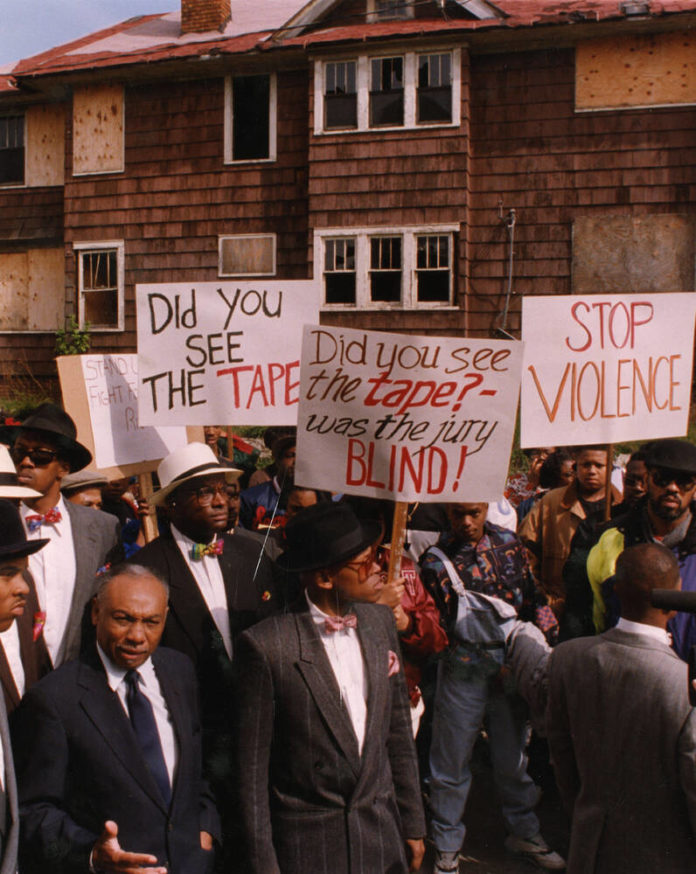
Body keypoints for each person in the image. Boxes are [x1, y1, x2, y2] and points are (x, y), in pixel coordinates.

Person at [233, 501, 426, 874]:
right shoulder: (267, 647)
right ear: (324, 578)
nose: (378, 570)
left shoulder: (379, 621)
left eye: (376, 557)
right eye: (364, 563)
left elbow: (398, 732)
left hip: (382, 839)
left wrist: (413, 823)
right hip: (309, 850)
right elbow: (252, 775)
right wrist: (264, 865)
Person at [12, 564, 220, 874]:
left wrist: (206, 826)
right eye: (123, 619)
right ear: (96, 612)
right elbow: (33, 810)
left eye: (151, 622)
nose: (137, 636)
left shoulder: (180, 671)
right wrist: (94, 855)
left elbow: (197, 767)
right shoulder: (54, 700)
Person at [420, 502, 563, 873]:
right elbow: (436, 631)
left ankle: (524, 832)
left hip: (512, 665)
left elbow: (533, 597)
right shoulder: (434, 561)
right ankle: (448, 846)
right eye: (456, 515)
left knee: (513, 758)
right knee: (450, 762)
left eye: (474, 512)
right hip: (462, 671)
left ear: (486, 507)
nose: (466, 523)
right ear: (445, 513)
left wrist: (547, 640)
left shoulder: (509, 543)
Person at [547, 543, 696, 873]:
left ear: (615, 591)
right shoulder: (683, 685)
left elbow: (562, 759)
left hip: (589, 849)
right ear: (675, 597)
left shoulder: (567, 659)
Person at [0, 403, 120, 666]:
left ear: (63, 468)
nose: (26, 462)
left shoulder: (103, 529)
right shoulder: (3, 526)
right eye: (19, 452)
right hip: (15, 677)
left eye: (40, 456)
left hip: (75, 675)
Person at [587, 438, 696, 657]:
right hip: (622, 676)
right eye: (662, 479)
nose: (672, 488)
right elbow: (589, 621)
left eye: (684, 481)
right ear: (646, 481)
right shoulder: (611, 539)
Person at [519, 445, 620, 619]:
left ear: (610, 468)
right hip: (559, 611)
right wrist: (545, 600)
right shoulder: (551, 503)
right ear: (576, 467)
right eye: (585, 465)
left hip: (608, 613)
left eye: (598, 465)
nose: (591, 471)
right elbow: (523, 553)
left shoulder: (622, 507)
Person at [239, 433, 296, 529]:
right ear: (278, 460)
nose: (297, 461)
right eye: (290, 456)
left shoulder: (318, 498)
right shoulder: (250, 498)